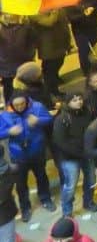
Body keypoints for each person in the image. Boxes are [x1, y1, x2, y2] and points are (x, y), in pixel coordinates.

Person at [0, 89, 54, 218]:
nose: (19, 107)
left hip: (37, 150)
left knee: (41, 176)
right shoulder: (5, 115)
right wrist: (9, 132)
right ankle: (25, 208)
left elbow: (49, 119)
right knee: (21, 183)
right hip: (18, 155)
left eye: (22, 104)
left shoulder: (37, 107)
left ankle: (46, 199)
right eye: (16, 105)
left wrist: (38, 121)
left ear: (26, 101)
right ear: (11, 104)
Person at [51, 90, 97, 217]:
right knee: (70, 185)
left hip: (87, 154)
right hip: (70, 158)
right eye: (74, 100)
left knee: (90, 180)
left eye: (80, 98)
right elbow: (60, 142)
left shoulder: (88, 112)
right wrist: (81, 152)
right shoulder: (61, 119)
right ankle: (67, 210)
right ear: (68, 103)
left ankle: (88, 202)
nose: (79, 101)